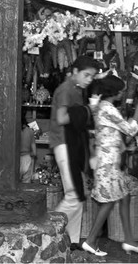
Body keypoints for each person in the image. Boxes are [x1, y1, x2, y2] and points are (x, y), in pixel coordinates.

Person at [83, 75, 138, 257]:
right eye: (122, 90)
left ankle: (128, 239)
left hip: (108, 159)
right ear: (115, 92)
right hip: (108, 161)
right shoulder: (108, 108)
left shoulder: (101, 106)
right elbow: (130, 130)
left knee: (124, 196)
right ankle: (90, 241)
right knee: (109, 201)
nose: (123, 92)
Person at [49, 55, 98, 252]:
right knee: (73, 195)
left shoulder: (77, 90)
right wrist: (88, 110)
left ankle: (71, 240)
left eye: (92, 77)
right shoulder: (66, 89)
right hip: (63, 143)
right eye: (86, 75)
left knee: (78, 194)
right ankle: (49, 231)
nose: (89, 80)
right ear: (75, 72)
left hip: (71, 144)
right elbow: (61, 118)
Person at [20, 113, 36, 183]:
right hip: (27, 160)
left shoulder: (12, 131)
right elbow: (34, 152)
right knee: (26, 185)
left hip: (14, 160)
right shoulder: (30, 131)